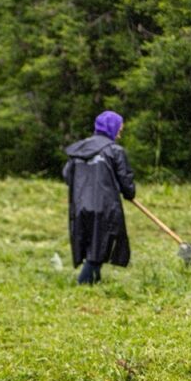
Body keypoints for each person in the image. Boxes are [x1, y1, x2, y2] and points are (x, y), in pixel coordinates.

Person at [62, 110, 136, 285]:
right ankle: (83, 284)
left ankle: (95, 282)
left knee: (91, 245)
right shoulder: (114, 151)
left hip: (80, 206)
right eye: (119, 129)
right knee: (100, 247)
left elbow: (67, 175)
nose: (120, 133)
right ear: (111, 128)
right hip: (105, 207)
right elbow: (125, 179)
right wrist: (128, 192)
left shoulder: (81, 148)